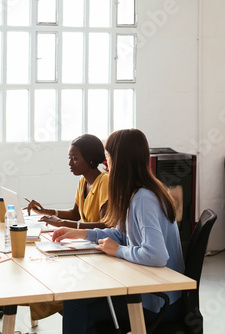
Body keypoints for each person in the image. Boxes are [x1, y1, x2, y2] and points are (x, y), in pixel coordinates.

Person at [52, 129, 185, 334]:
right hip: (149, 288)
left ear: (120, 161)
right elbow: (123, 235)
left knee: (76, 304)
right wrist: (81, 233)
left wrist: (119, 251)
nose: (106, 164)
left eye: (108, 157)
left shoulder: (144, 198)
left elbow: (156, 255)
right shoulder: (138, 192)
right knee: (77, 301)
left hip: (158, 300)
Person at [26, 134, 109, 229]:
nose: (70, 163)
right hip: (88, 239)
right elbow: (75, 214)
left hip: (101, 241)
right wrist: (44, 211)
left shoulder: (105, 181)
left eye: (75, 158)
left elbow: (104, 225)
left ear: (89, 158)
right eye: (70, 158)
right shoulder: (83, 181)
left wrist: (63, 223)